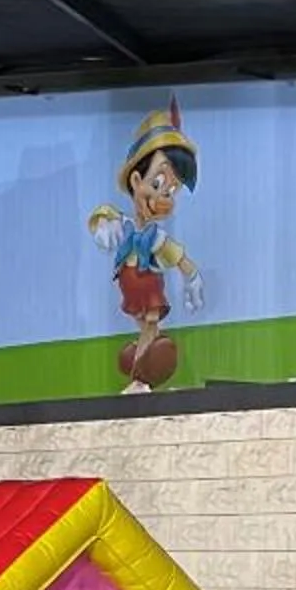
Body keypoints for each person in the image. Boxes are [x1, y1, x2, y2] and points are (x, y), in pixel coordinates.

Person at [85, 99, 204, 391]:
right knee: (145, 326)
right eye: (159, 183)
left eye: (172, 190)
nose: (165, 196)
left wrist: (192, 278)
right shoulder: (125, 224)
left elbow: (177, 256)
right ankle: (141, 367)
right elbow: (103, 215)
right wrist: (103, 225)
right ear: (136, 179)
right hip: (131, 283)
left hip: (147, 284)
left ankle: (140, 376)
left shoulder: (154, 237)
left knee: (150, 326)